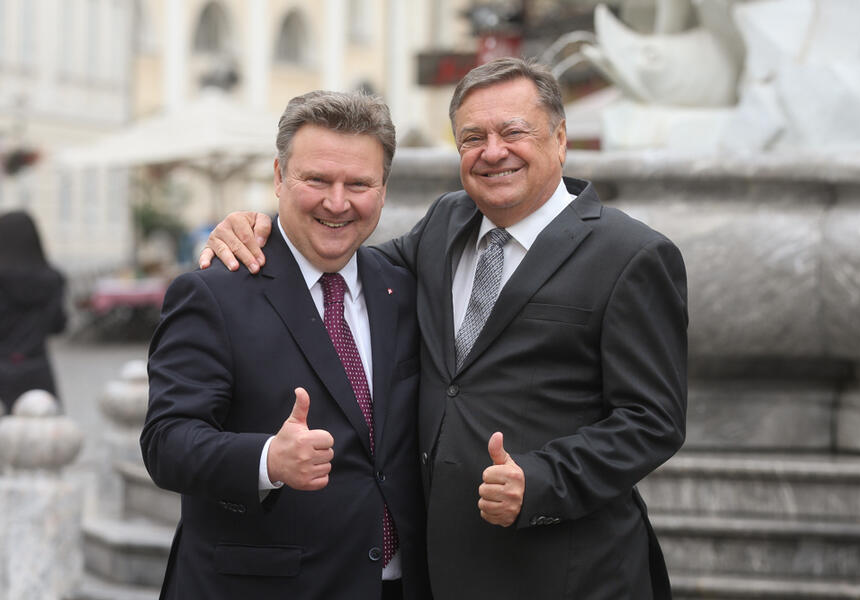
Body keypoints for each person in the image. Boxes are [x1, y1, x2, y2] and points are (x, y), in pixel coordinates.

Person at [202, 58, 688, 600]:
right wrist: (260, 227)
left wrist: (544, 480)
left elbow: (653, 420)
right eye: (472, 137)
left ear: (560, 139)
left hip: (569, 570)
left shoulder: (632, 254)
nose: (493, 150)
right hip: (439, 570)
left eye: (514, 132)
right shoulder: (445, 224)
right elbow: (338, 259)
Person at [141, 91, 431, 600]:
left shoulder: (403, 288)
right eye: (316, 179)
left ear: (383, 190)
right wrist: (268, 459)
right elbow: (166, 443)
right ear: (278, 177)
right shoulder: (213, 292)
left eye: (358, 184)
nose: (337, 202)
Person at [0, 210, 67, 414]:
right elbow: (59, 325)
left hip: (2, 368)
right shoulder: (53, 279)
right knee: (42, 438)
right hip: (37, 369)